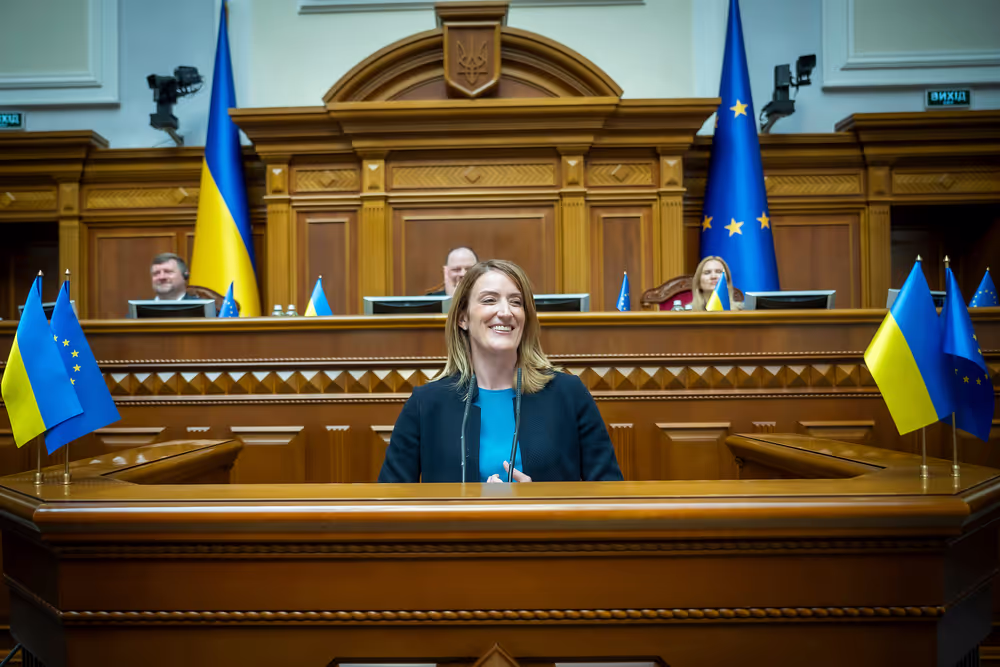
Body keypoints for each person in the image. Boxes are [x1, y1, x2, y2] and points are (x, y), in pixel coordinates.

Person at [379, 259, 623, 484]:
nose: (506, 312)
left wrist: (542, 502)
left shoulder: (568, 394)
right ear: (462, 318)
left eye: (516, 302)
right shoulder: (426, 403)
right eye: (489, 300)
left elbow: (609, 494)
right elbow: (390, 501)